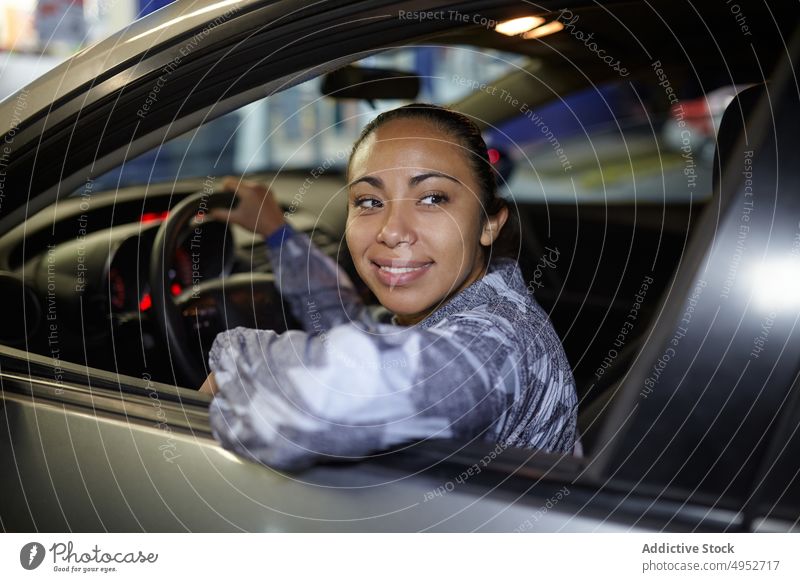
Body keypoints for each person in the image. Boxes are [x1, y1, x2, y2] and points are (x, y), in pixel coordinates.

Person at [200, 103, 579, 470]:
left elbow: (325, 405)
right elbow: (359, 331)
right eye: (369, 201)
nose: (392, 231)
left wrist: (237, 361)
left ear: (488, 224)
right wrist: (278, 234)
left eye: (432, 198)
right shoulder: (469, 300)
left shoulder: (498, 341)